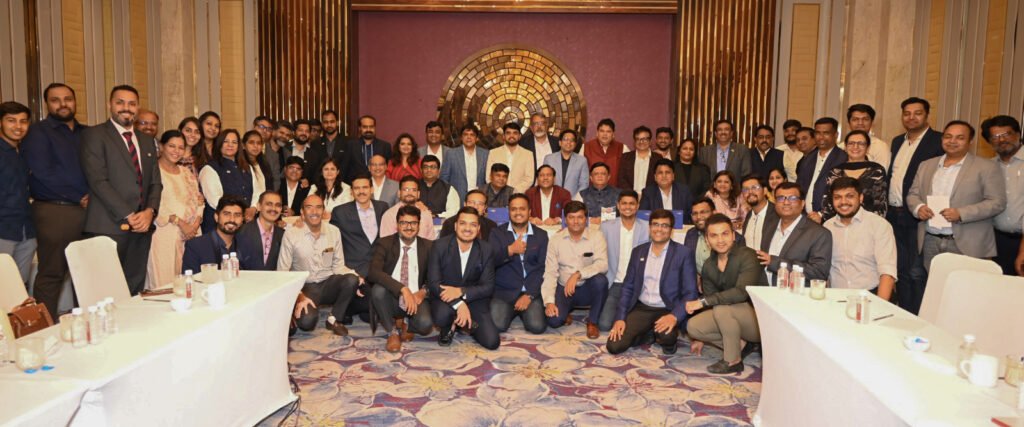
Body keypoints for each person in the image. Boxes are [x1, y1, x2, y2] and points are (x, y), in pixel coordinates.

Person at [81, 85, 162, 295]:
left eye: (132, 104)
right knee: (104, 291)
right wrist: (129, 214)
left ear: (138, 107)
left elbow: (155, 183)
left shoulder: (147, 141)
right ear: (110, 105)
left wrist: (150, 212)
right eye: (120, 102)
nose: (126, 108)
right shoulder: (95, 135)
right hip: (108, 226)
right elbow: (98, 181)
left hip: (142, 227)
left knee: (134, 288)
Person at [20, 83, 88, 317]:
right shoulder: (37, 133)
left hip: (89, 210)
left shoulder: (86, 132)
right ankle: (44, 328)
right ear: (47, 104)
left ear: (75, 101)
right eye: (55, 100)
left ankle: (87, 323)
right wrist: (79, 196)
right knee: (52, 273)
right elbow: (43, 172)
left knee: (85, 272)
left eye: (67, 98)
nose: (62, 104)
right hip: (56, 211)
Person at [908, 121, 1005, 273]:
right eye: (948, 136)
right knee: (934, 285)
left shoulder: (987, 167)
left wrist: (961, 213)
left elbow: (997, 202)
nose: (952, 141)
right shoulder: (926, 165)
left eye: (960, 138)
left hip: (968, 243)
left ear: (970, 141)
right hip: (930, 239)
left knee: (965, 287)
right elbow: (913, 194)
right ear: (942, 139)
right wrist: (919, 208)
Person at [607, 209, 698, 355]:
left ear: (671, 230)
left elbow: (690, 292)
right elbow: (628, 287)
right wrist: (620, 318)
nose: (659, 229)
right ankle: (649, 334)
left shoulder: (683, 253)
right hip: (643, 307)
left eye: (664, 225)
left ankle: (666, 340)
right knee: (614, 346)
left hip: (668, 308)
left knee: (666, 337)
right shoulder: (638, 252)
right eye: (655, 224)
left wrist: (674, 316)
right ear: (650, 227)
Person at [686, 213, 767, 374]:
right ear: (707, 240)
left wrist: (702, 302)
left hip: (759, 321)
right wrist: (700, 339)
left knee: (722, 307)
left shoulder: (748, 255)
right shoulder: (709, 265)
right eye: (714, 236)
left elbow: (741, 293)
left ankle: (733, 361)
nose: (720, 240)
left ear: (733, 235)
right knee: (694, 327)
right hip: (730, 316)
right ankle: (741, 345)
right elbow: (711, 300)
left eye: (725, 234)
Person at [886, 97, 944, 313]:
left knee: (916, 271)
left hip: (919, 214)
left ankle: (919, 315)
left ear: (927, 115)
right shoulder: (897, 141)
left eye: (917, 113)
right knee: (899, 268)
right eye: (907, 113)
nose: (911, 117)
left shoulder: (938, 141)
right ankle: (902, 311)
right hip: (894, 215)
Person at [280, 194, 361, 336]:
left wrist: (356, 276)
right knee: (307, 323)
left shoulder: (334, 231)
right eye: (309, 207)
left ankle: (334, 319)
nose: (314, 211)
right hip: (305, 287)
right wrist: (299, 296)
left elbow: (338, 266)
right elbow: (282, 271)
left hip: (328, 283)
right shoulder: (291, 234)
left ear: (323, 211)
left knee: (351, 280)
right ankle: (296, 310)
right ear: (302, 212)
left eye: (318, 207)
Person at [428, 207, 500, 349]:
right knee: (441, 316)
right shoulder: (439, 246)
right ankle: (450, 324)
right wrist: (459, 304)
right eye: (463, 223)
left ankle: (462, 323)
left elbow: (488, 286)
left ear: (478, 228)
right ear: (455, 226)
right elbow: (433, 283)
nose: (467, 229)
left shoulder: (486, 249)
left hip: (474, 299)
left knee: (492, 342)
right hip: (446, 298)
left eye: (473, 225)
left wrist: (461, 292)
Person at [368, 205, 434, 353]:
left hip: (416, 298)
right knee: (378, 290)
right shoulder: (384, 243)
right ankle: (392, 332)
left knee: (425, 325)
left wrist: (423, 292)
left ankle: (406, 323)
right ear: (397, 224)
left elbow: (436, 277)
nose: (409, 227)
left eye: (413, 223)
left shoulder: (429, 246)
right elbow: (373, 272)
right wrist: (402, 289)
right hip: (391, 296)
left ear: (419, 225)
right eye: (404, 223)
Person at [541, 201, 610, 339]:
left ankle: (592, 322)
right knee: (554, 321)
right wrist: (549, 302)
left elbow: (602, 264)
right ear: (565, 219)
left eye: (580, 217)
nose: (576, 221)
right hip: (564, 288)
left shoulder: (597, 236)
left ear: (586, 219)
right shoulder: (556, 240)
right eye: (571, 217)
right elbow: (550, 273)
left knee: (601, 281)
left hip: (587, 287)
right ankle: (565, 313)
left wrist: (578, 274)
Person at [146, 131, 204, 289]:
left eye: (180, 147)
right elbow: (152, 202)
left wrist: (195, 224)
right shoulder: (153, 171)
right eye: (171, 146)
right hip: (165, 232)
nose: (176, 151)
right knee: (164, 283)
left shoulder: (186, 172)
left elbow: (199, 200)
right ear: (162, 147)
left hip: (192, 233)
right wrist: (180, 222)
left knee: (191, 281)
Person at [824, 177, 897, 300]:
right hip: (836, 298)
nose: (843, 202)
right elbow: (825, 270)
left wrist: (879, 306)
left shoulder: (879, 225)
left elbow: (887, 273)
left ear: (861, 198)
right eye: (837, 197)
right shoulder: (827, 227)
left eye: (849, 196)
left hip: (870, 297)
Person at [489, 194, 549, 334]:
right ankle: (513, 311)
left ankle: (522, 310)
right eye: (513, 209)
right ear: (509, 212)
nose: (518, 212)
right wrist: (509, 250)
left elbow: (543, 268)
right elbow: (490, 262)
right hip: (504, 291)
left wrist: (530, 295)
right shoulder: (497, 233)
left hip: (530, 290)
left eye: (522, 209)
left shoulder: (541, 235)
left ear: (529, 211)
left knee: (537, 327)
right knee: (497, 326)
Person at [755, 182, 833, 283]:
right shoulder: (768, 227)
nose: (786, 202)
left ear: (802, 203)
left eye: (792, 198)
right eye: (780, 198)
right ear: (775, 203)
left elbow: (819, 272)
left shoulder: (819, 234)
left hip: (796, 292)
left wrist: (775, 263)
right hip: (764, 290)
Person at [599, 191, 650, 331]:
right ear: (618, 205)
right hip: (615, 283)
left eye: (632, 203)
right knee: (604, 325)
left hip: (639, 283)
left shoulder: (647, 227)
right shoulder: (606, 227)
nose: (628, 207)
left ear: (637, 206)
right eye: (624, 203)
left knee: (635, 322)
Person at [980, 116, 1024, 275]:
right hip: (999, 241)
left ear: (1018, 134)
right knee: (1001, 284)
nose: (1002, 140)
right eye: (995, 137)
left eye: (1006, 134)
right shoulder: (987, 166)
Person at [0, 101, 37, 286]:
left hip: (26, 230)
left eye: (23, 121)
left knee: (19, 287)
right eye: (11, 120)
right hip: (3, 230)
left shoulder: (23, 152)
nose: (18, 126)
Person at [820, 130, 888, 220]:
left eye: (861, 143)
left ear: (867, 148)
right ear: (845, 147)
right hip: (838, 222)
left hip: (868, 223)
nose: (855, 147)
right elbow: (828, 202)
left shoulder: (876, 170)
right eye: (851, 143)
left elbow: (880, 205)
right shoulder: (835, 171)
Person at [330, 174, 388, 279]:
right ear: (351, 192)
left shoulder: (382, 207)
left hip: (381, 268)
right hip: (353, 271)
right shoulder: (340, 212)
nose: (361, 191)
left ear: (372, 189)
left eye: (365, 187)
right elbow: (331, 239)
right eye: (357, 188)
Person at [198, 129, 253, 233]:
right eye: (226, 141)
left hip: (242, 224)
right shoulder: (209, 168)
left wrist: (252, 208)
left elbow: (256, 191)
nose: (230, 145)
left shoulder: (246, 167)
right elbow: (215, 200)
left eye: (234, 142)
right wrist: (239, 213)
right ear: (219, 144)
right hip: (218, 226)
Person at [796, 117, 848, 224]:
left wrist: (822, 214)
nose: (821, 137)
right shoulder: (808, 158)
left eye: (826, 133)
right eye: (818, 133)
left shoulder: (843, 158)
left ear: (836, 135)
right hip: (805, 218)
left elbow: (845, 192)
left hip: (831, 220)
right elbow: (799, 187)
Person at [181, 196, 243, 274]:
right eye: (226, 214)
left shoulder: (246, 246)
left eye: (237, 215)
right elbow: (189, 279)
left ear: (242, 220)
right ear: (216, 217)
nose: (232, 219)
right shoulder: (196, 246)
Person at [683, 197, 746, 274]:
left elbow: (739, 270)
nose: (698, 217)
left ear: (714, 213)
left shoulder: (736, 238)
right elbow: (687, 263)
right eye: (695, 213)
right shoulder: (691, 234)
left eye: (703, 212)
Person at [236, 191, 285, 271]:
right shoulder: (242, 232)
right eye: (269, 204)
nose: (273, 209)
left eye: (278, 205)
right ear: (259, 207)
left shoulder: (282, 235)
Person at [442, 124, 489, 200]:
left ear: (477, 138)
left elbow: (488, 179)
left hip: (478, 198)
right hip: (456, 198)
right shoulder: (451, 154)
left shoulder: (485, 154)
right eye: (465, 134)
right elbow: (444, 178)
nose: (468, 137)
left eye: (472, 135)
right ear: (461, 137)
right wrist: (449, 196)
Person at [487, 123, 535, 195]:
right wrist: (499, 191)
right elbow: (489, 176)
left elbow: (529, 178)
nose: (511, 136)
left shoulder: (528, 154)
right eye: (508, 133)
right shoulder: (493, 153)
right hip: (497, 195)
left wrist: (514, 191)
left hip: (519, 195)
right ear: (503, 136)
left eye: (515, 133)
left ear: (519, 136)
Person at [543, 129, 590, 198]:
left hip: (573, 199)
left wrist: (575, 199)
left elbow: (584, 184)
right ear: (560, 143)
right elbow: (544, 179)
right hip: (551, 198)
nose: (568, 142)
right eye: (565, 139)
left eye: (572, 140)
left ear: (575, 144)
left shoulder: (582, 161)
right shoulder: (549, 159)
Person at [581, 118, 630, 185]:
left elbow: (627, 174)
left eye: (608, 131)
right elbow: (580, 173)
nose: (605, 134)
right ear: (597, 133)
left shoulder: (623, 148)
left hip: (615, 190)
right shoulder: (585, 147)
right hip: (591, 190)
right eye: (602, 131)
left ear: (613, 134)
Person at [846, 104, 891, 171]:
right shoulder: (841, 146)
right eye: (855, 119)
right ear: (849, 123)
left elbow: (881, 173)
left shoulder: (880, 147)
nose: (860, 123)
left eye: (865, 119)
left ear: (872, 122)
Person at [618, 126, 662, 193]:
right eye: (638, 139)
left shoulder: (658, 158)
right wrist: (632, 195)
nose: (641, 142)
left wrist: (647, 195)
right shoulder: (625, 157)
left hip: (651, 196)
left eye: (644, 139)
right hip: (630, 197)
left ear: (650, 141)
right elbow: (621, 179)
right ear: (634, 142)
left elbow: (660, 180)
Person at [740, 174, 776, 252]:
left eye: (754, 188)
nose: (750, 192)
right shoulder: (749, 215)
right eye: (745, 189)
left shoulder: (777, 214)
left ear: (765, 191)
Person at [241, 130, 271, 222]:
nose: (255, 146)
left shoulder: (264, 164)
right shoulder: (239, 164)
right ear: (243, 145)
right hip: (246, 211)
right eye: (251, 142)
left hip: (262, 210)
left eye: (258, 143)